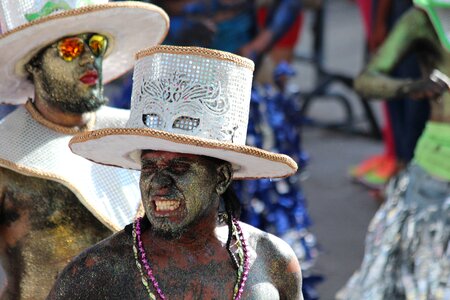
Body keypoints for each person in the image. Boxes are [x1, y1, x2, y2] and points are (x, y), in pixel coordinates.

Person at [47, 45, 304, 299]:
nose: (158, 182)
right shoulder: (95, 274)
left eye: (179, 167)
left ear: (222, 178)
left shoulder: (272, 259)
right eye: (149, 167)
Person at [0, 1, 168, 299]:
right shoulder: (5, 149)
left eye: (96, 44)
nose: (90, 58)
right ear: (33, 65)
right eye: (71, 49)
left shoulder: (141, 134)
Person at [337, 0, 450, 299]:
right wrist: (412, 87)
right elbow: (366, 80)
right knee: (423, 280)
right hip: (438, 167)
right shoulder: (424, 18)